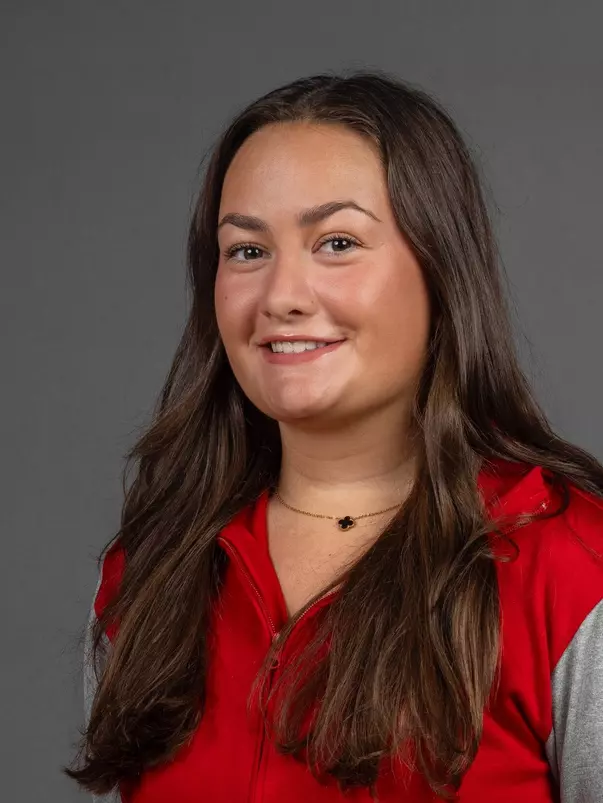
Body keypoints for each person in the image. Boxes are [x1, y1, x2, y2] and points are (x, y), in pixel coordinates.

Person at [66, 71, 603, 802]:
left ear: (438, 268)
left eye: (337, 241)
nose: (282, 295)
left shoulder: (569, 565)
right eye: (246, 251)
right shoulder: (150, 574)